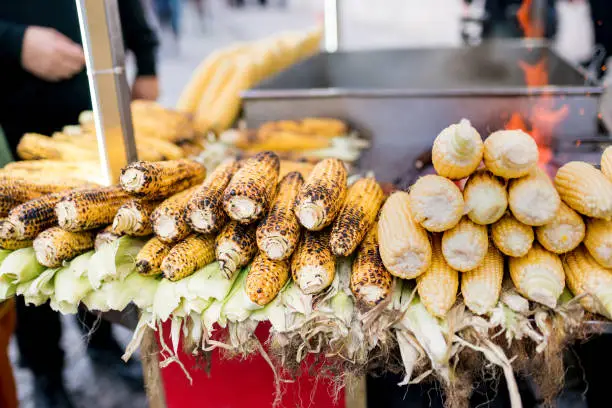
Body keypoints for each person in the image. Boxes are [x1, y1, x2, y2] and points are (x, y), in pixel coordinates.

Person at [0, 1, 159, 407]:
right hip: (15, 116)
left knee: (97, 237)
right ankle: (45, 371)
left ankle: (101, 342)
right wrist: (15, 41)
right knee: (32, 251)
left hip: (94, 109)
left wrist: (147, 57)